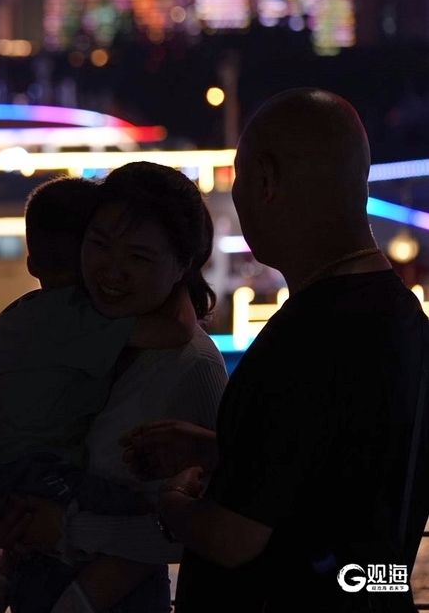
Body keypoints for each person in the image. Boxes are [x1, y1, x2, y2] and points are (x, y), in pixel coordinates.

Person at [144, 89, 429, 612]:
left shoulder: (305, 338)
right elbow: (343, 471)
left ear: (265, 182)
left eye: (239, 179)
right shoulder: (405, 319)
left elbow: (234, 537)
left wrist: (171, 505)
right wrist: (223, 450)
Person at [0, 162, 228, 613]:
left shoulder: (192, 365)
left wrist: (66, 529)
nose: (111, 271)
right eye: (99, 245)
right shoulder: (70, 337)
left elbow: (215, 528)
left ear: (181, 265)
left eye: (138, 258)